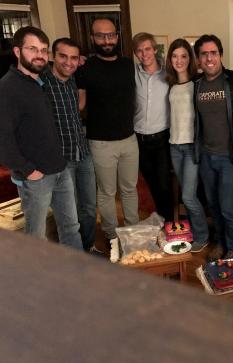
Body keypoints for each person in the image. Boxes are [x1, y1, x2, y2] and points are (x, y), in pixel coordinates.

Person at [0, 26, 82, 250]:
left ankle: (78, 275)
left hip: (60, 169)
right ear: (17, 51)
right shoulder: (7, 88)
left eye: (44, 50)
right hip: (36, 177)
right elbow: (3, 140)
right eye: (32, 49)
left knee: (70, 227)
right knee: (36, 236)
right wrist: (28, 170)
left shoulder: (39, 83)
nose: (39, 55)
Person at [76, 18, 139, 245]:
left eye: (110, 35)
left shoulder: (128, 65)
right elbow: (79, 103)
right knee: (107, 192)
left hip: (129, 139)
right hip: (100, 142)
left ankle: (132, 233)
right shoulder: (84, 68)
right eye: (100, 36)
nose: (106, 40)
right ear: (92, 38)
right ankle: (112, 235)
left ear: (117, 36)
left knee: (130, 189)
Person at [41, 37, 98, 253]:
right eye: (63, 56)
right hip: (60, 159)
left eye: (74, 58)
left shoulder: (73, 79)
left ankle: (89, 248)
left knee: (90, 209)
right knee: (69, 216)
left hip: (83, 153)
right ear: (52, 56)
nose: (68, 62)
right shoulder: (41, 82)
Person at [193, 34, 233, 260]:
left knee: (229, 209)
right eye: (204, 54)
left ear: (220, 55)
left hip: (228, 158)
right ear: (199, 59)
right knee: (213, 206)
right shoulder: (196, 85)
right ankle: (221, 243)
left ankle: (232, 247)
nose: (209, 58)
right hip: (205, 156)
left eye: (214, 53)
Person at [165, 38, 210, 252]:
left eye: (183, 56)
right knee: (186, 193)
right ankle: (192, 232)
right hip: (174, 146)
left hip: (192, 147)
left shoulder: (197, 84)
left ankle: (202, 236)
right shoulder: (171, 84)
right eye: (175, 56)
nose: (179, 60)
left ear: (190, 59)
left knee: (188, 196)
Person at [132, 32, 173, 222]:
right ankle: (161, 219)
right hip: (139, 140)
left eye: (147, 49)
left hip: (162, 139)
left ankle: (169, 223)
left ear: (154, 49)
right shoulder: (131, 73)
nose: (144, 54)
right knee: (151, 184)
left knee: (165, 184)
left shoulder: (168, 74)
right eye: (139, 51)